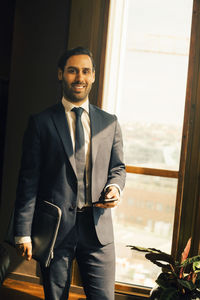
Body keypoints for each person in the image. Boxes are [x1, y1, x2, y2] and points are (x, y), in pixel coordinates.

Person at [14, 46, 126, 300]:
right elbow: (28, 181)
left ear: (93, 76)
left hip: (98, 230)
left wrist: (115, 187)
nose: (79, 77)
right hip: (56, 230)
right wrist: (23, 232)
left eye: (85, 71)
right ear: (60, 74)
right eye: (72, 71)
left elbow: (118, 167)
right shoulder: (41, 123)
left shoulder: (110, 123)